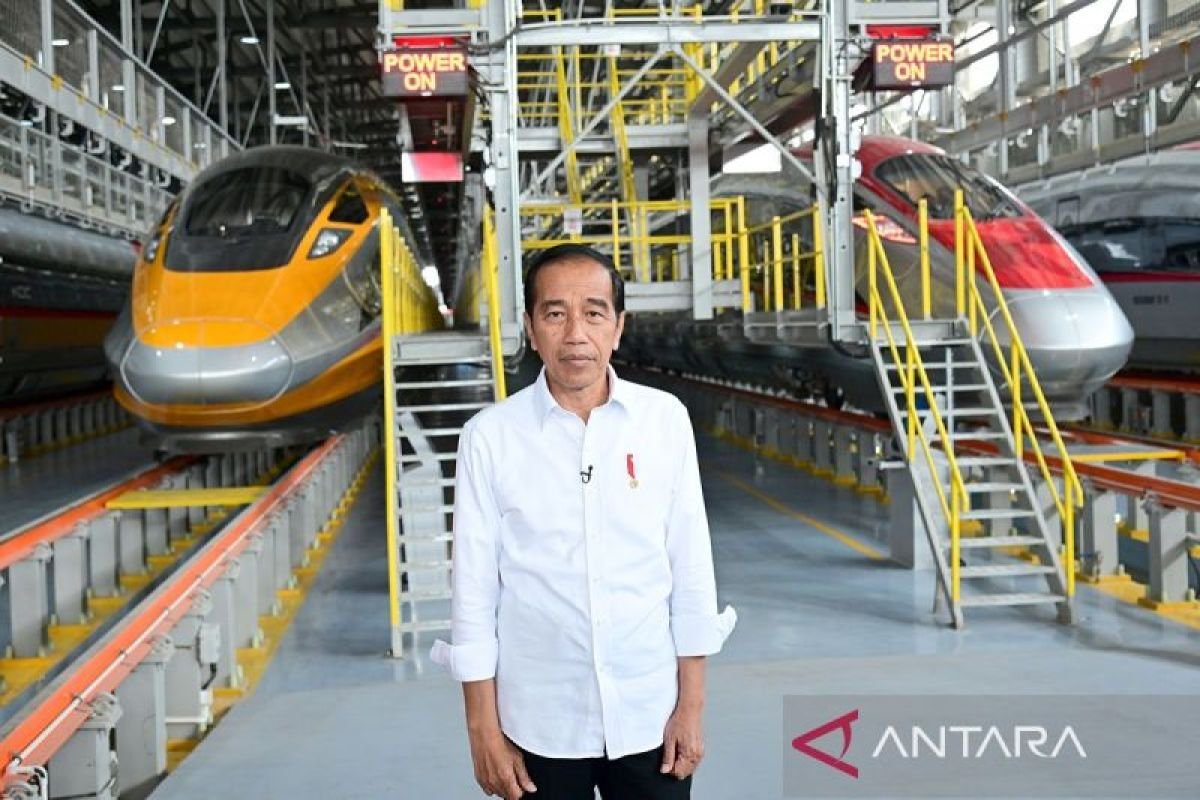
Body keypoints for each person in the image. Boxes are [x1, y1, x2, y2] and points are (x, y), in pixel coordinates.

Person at [432, 243, 736, 800]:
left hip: (649, 714)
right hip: (538, 723)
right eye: (555, 313)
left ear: (617, 327)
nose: (576, 334)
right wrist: (483, 730)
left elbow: (691, 569)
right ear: (530, 328)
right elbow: (473, 594)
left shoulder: (663, 421)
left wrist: (690, 708)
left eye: (594, 313)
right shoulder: (490, 437)